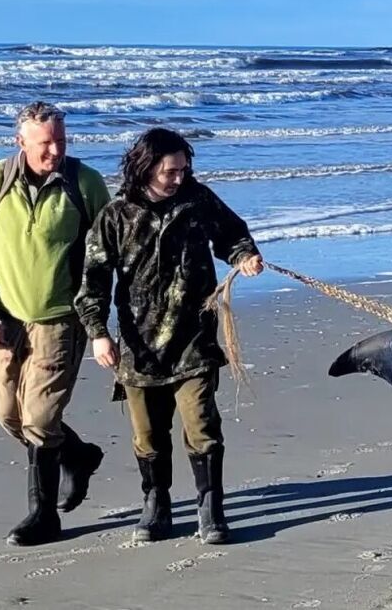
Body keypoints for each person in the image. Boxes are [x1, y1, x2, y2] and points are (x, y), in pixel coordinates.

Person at [76, 128, 264, 544]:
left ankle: (210, 510)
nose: (179, 177)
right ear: (146, 168)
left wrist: (245, 255)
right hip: (139, 347)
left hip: (194, 338)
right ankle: (156, 505)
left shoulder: (198, 201)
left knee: (202, 425)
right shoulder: (115, 216)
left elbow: (232, 234)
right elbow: (93, 281)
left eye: (184, 169)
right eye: (170, 171)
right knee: (147, 435)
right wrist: (98, 334)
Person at [0, 100, 112, 546]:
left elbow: (108, 253)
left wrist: (100, 319)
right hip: (7, 320)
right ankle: (79, 455)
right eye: (45, 143)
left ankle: (43, 516)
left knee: (41, 419)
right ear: (20, 141)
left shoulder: (85, 183)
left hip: (62, 319)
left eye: (61, 141)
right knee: (8, 415)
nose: (54, 151)